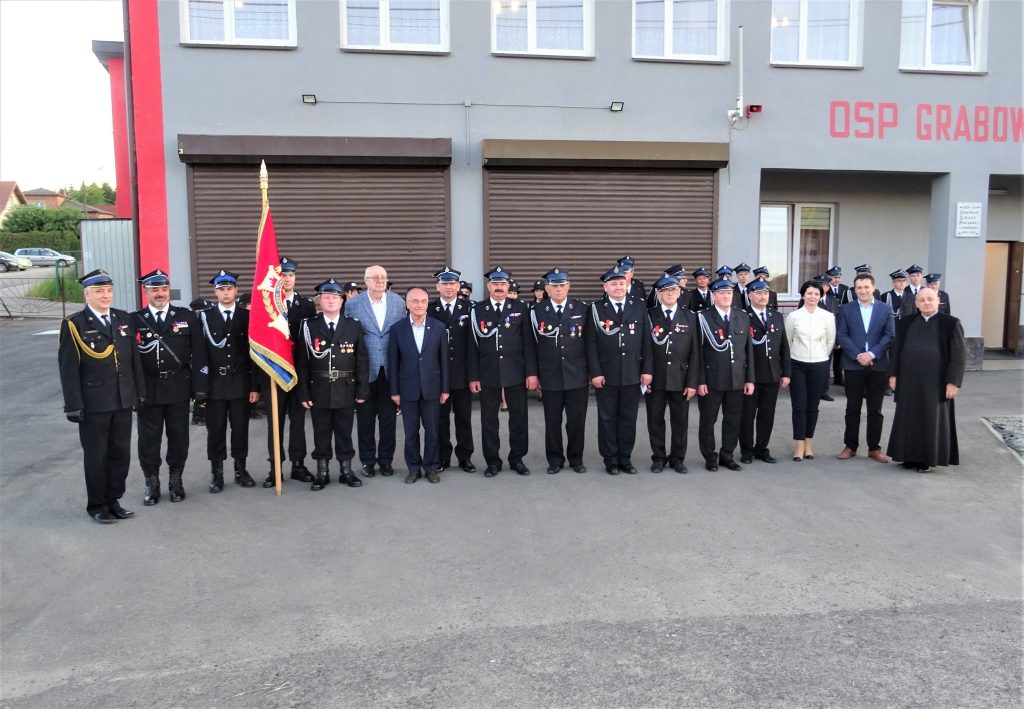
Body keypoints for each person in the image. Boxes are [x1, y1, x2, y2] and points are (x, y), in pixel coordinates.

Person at [58, 269, 146, 524]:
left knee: (120, 454)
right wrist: (73, 405)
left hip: (122, 400)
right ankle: (97, 506)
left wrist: (139, 393)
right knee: (97, 456)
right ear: (87, 295)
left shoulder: (123, 319)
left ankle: (114, 500)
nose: (105, 296)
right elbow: (68, 369)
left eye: (108, 290)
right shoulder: (75, 324)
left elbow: (134, 361)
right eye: (99, 291)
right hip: (94, 403)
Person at [131, 269, 207, 505]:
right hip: (148, 389)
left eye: (164, 289)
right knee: (148, 440)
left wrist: (200, 388)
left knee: (179, 438)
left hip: (178, 387)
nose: (160, 294)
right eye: (155, 290)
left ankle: (176, 480)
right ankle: (151, 482)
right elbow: (129, 360)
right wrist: (133, 392)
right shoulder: (134, 320)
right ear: (146, 292)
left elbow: (200, 355)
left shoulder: (186, 317)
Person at [296, 279, 369, 490]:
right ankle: (322, 472)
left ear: (342, 300)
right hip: (318, 388)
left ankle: (346, 470)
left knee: (345, 431)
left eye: (334, 297)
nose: (330, 301)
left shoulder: (353, 325)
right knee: (321, 431)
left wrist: (362, 388)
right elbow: (301, 362)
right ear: (320, 300)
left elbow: (362, 359)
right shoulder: (309, 326)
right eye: (326, 297)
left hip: (346, 387)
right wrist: (303, 392)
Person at [887, 288, 966, 472]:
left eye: (930, 299)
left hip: (935, 383)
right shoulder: (906, 323)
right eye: (921, 300)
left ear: (938, 301)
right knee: (907, 418)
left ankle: (926, 459)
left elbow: (959, 355)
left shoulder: (950, 323)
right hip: (908, 381)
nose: (926, 302)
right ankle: (907, 456)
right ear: (916, 304)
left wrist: (953, 381)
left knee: (930, 418)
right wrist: (893, 375)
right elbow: (896, 350)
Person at [468, 267, 538, 476]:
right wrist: (473, 376)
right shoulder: (477, 310)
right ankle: (492, 461)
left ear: (508, 286)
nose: (499, 288)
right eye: (495, 284)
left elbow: (529, 344)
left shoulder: (521, 308)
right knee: (489, 419)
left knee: (518, 417)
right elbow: (472, 346)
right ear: (489, 286)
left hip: (515, 371)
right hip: (488, 371)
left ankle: (517, 458)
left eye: (503, 284)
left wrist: (531, 373)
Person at [586, 265, 653, 474]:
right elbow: (591, 343)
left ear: (628, 285)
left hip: (633, 373)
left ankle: (625, 458)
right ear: (605, 287)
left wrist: (647, 370)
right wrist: (595, 372)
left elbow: (646, 341)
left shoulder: (639, 306)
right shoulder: (596, 309)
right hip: (606, 374)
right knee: (607, 419)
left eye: (621, 283)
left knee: (628, 418)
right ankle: (611, 460)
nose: (618, 287)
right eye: (613, 284)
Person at [199, 269, 260, 493]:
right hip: (215, 383)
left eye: (229, 289)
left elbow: (253, 354)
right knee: (215, 430)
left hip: (240, 382)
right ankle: (217, 473)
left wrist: (254, 386)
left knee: (240, 429)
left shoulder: (246, 317)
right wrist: (201, 388)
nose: (226, 293)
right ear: (215, 292)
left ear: (236, 290)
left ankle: (240, 469)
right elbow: (200, 355)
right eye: (221, 289)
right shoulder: (204, 317)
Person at [344, 264, 407, 478]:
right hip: (365, 371)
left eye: (383, 277)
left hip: (391, 370)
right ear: (366, 280)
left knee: (389, 420)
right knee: (365, 420)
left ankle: (386, 461)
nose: (380, 280)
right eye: (375, 277)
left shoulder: (398, 302)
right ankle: (368, 461)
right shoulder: (353, 305)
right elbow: (348, 337)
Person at [262, 256, 317, 488]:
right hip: (273, 372)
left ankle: (298, 464)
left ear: (295, 278)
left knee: (297, 422)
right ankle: (275, 467)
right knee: (275, 423)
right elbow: (259, 342)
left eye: (291, 275)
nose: (287, 279)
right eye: (283, 275)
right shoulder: (266, 304)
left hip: (298, 372)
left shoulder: (305, 305)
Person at [531, 267, 589, 474]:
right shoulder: (537, 312)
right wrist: (534, 374)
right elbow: (532, 347)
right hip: (550, 375)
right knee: (552, 422)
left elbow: (589, 343)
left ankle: (576, 459)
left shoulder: (582, 309)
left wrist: (591, 373)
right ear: (547, 288)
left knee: (576, 422)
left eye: (562, 285)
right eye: (554, 286)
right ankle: (555, 460)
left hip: (577, 375)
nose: (558, 289)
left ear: (568, 287)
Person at [389, 288, 450, 483]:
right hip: (408, 390)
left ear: (427, 304)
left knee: (432, 431)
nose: (419, 305)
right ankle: (413, 468)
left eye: (423, 301)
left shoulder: (439, 327)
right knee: (411, 432)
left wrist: (445, 388)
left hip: (432, 388)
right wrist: (395, 391)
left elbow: (444, 361)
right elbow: (393, 362)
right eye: (415, 301)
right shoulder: (397, 329)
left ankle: (431, 467)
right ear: (407, 304)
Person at [696, 278, 755, 471]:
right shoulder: (702, 317)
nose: (726, 296)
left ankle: (727, 455)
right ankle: (710, 457)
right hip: (712, 379)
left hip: (737, 379)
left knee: (733, 419)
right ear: (713, 295)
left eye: (729, 293)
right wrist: (700, 380)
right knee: (708, 420)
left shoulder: (742, 316)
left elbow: (748, 351)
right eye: (721, 293)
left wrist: (750, 379)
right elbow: (698, 352)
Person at [836, 272, 895, 463]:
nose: (862, 291)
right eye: (859, 288)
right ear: (855, 290)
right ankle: (850, 446)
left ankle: (874, 448)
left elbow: (889, 335)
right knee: (852, 408)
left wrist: (872, 354)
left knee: (875, 409)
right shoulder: (846, 309)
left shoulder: (885, 309)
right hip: (853, 365)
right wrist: (858, 355)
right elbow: (842, 335)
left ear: (873, 288)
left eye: (866, 287)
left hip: (877, 365)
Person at [646, 275, 700, 473]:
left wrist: (692, 382)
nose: (670, 294)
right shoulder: (649, 315)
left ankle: (678, 458)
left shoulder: (690, 316)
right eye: (666, 291)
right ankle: (658, 457)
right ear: (659, 294)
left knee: (680, 421)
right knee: (655, 420)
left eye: (674, 290)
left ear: (679, 293)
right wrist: (646, 375)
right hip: (656, 378)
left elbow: (695, 353)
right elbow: (645, 350)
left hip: (681, 378)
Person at [739, 279, 791, 465]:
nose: (763, 296)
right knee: (747, 415)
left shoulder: (776, 316)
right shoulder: (743, 316)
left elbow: (784, 347)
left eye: (766, 293)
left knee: (767, 414)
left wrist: (786, 373)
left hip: (772, 374)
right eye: (759, 293)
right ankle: (746, 450)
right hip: (751, 375)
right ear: (749, 295)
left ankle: (762, 447)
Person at [784, 279, 837, 461]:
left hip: (820, 365)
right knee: (799, 405)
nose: (813, 296)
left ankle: (808, 443)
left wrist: (821, 356)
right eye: (809, 293)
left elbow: (830, 341)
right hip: (797, 364)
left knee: (813, 406)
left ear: (821, 296)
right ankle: (799, 444)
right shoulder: (793, 317)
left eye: (816, 293)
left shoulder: (828, 317)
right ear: (803, 295)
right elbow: (788, 341)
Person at [430, 267, 476, 473]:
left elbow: (474, 346)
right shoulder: (430, 310)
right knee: (440, 419)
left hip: (461, 374)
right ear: (437, 286)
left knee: (463, 418)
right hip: (437, 374)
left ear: (458, 286)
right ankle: (442, 457)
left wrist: (474, 375)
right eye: (444, 284)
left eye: (452, 284)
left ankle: (465, 457)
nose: (448, 287)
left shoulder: (470, 308)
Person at [188, 298, 212, 426]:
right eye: (202, 311)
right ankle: (198, 415)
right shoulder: (193, 323)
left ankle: (200, 414)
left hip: (204, 359)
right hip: (194, 361)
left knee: (202, 387)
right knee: (198, 387)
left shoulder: (205, 322)